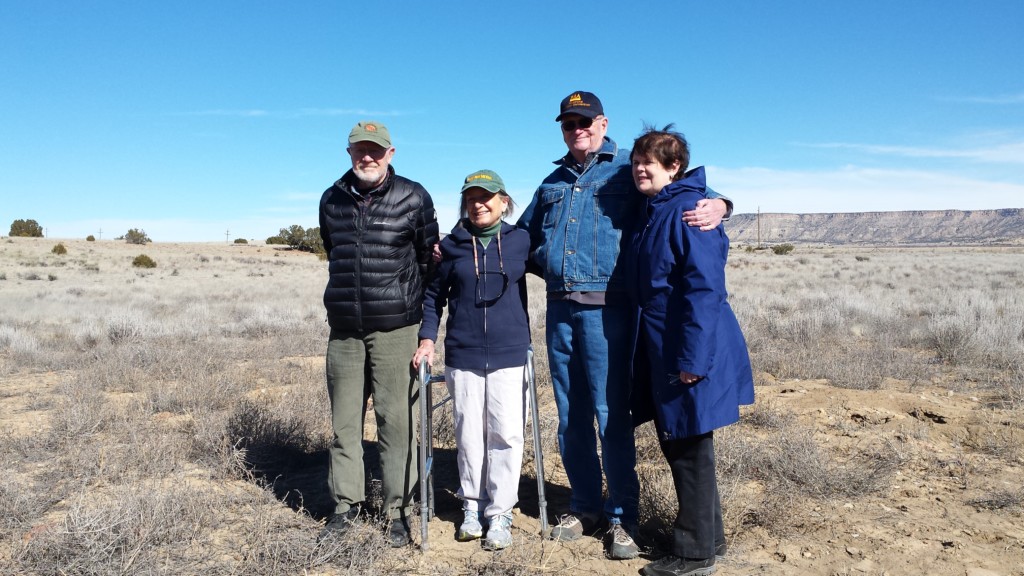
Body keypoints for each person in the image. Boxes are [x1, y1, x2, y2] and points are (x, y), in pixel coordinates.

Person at [516, 91, 732, 560]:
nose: (577, 129)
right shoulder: (551, 182)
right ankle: (584, 506)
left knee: (611, 414)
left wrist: (722, 204)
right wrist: (464, 244)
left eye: (584, 121)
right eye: (568, 122)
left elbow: (679, 190)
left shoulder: (625, 170)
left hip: (610, 310)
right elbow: (521, 237)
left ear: (602, 123)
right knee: (572, 417)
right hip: (559, 310)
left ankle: (622, 517)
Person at [627, 125, 754, 576]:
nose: (641, 168)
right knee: (688, 444)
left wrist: (693, 360)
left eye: (651, 162)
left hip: (689, 346)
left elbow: (704, 289)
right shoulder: (656, 208)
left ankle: (693, 554)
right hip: (668, 343)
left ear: (674, 168)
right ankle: (709, 539)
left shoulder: (688, 212)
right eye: (637, 161)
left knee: (688, 446)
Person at [317, 120, 439, 547]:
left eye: (375, 150)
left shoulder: (413, 196)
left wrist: (422, 327)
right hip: (345, 331)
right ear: (348, 152)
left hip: (396, 329)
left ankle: (397, 511)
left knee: (396, 424)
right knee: (344, 425)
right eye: (358, 150)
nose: (366, 157)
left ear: (390, 153)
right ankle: (344, 506)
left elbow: (428, 262)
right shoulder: (331, 199)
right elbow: (335, 251)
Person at [412, 169, 532, 551]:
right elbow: (433, 297)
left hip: (510, 352)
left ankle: (500, 512)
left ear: (503, 202)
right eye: (471, 198)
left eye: (486, 197)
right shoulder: (451, 246)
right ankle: (471, 506)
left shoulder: (521, 240)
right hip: (462, 353)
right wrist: (428, 339)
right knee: (468, 434)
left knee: (507, 434)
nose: (478, 204)